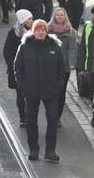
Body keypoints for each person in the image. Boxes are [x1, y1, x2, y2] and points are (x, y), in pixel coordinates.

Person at [14, 19, 65, 162]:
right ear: (34, 31)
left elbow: (62, 68)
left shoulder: (54, 46)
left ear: (46, 31)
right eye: (38, 30)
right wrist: (23, 86)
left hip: (51, 91)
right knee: (31, 121)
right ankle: (34, 149)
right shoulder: (25, 47)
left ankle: (50, 150)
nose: (41, 32)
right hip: (31, 91)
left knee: (53, 119)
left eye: (43, 30)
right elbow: (18, 68)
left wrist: (58, 85)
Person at [3, 9, 34, 127]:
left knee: (31, 95)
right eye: (29, 19)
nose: (31, 21)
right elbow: (7, 51)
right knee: (20, 95)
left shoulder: (35, 32)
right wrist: (13, 66)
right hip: (18, 70)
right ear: (23, 21)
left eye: (31, 18)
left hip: (32, 70)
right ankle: (23, 117)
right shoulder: (13, 33)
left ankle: (30, 116)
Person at [48, 8, 78, 127]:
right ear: (54, 17)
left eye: (62, 15)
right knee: (51, 92)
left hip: (63, 67)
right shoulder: (47, 30)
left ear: (65, 17)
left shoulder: (71, 32)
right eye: (58, 15)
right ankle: (51, 114)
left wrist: (71, 63)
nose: (60, 17)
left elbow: (72, 49)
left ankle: (57, 117)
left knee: (61, 92)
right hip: (50, 67)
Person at [76, 5, 94, 99]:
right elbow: (82, 48)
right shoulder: (88, 27)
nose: (93, 17)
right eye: (93, 14)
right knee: (92, 96)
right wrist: (81, 67)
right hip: (91, 68)